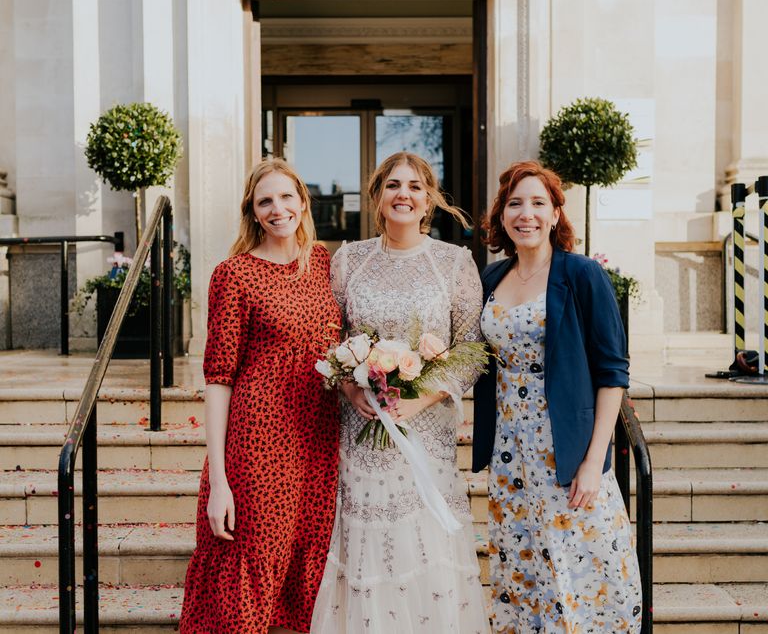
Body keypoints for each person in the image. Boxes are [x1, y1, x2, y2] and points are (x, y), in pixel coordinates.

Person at [311, 151, 489, 633]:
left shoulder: (454, 263)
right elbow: (332, 338)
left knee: (424, 546)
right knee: (364, 549)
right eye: (393, 185)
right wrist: (350, 390)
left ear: (429, 199)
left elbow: (472, 349)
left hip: (426, 435)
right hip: (360, 432)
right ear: (377, 196)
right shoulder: (349, 261)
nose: (403, 194)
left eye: (414, 186)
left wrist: (418, 400)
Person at [472, 160, 642, 632]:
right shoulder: (490, 279)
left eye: (537, 203)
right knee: (524, 568)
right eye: (514, 204)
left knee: (584, 566)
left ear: (554, 213)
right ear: (501, 216)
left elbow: (613, 373)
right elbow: (473, 358)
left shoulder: (581, 274)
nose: (525, 214)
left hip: (567, 448)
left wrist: (594, 461)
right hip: (511, 454)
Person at [180, 158, 342, 633]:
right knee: (251, 564)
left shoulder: (324, 265)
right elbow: (218, 378)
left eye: (286, 197)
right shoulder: (234, 275)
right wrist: (219, 481)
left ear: (303, 202)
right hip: (259, 442)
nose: (278, 208)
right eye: (265, 200)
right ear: (252, 211)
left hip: (317, 438)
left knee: (305, 565)